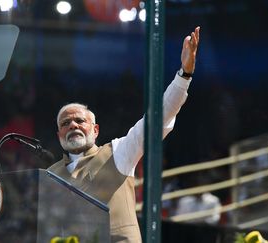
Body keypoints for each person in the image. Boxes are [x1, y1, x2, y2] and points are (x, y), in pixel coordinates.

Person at [47, 26, 201, 243]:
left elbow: (157, 119)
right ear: (58, 134)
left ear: (95, 129)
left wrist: (184, 75)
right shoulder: (49, 177)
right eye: (65, 123)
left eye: (80, 120)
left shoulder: (118, 152)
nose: (72, 125)